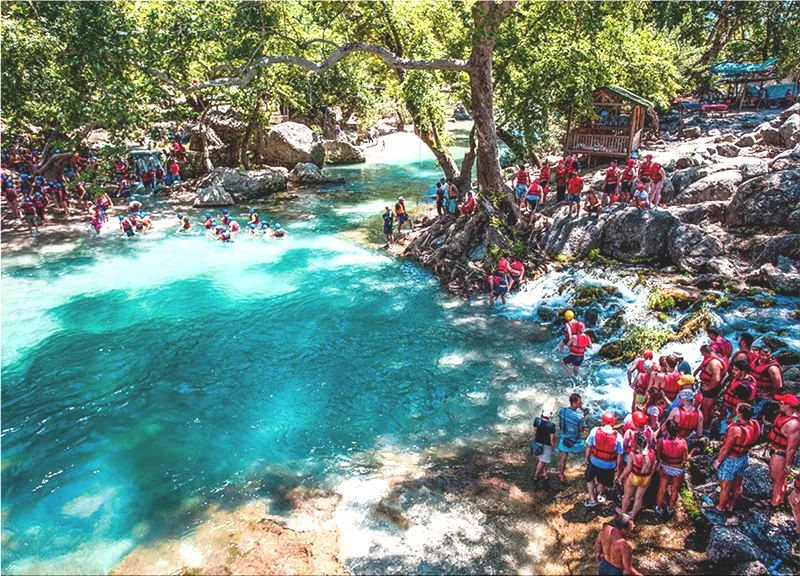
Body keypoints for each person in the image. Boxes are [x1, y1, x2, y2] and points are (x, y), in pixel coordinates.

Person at [713, 403, 761, 515]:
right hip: (744, 457)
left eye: (737, 410)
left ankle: (720, 508)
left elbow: (726, 449)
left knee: (726, 485)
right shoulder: (755, 424)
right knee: (738, 483)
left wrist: (717, 461)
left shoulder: (735, 430)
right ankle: (731, 505)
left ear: (740, 413)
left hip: (732, 459)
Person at [585, 412, 624, 507]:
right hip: (609, 465)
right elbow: (620, 455)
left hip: (594, 461)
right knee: (602, 482)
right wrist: (618, 469)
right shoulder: (618, 437)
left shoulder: (594, 431)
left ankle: (591, 498)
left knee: (589, 478)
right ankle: (596, 496)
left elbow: (588, 447)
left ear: (603, 422)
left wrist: (586, 459)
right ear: (613, 423)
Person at [768, 393, 800, 508]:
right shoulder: (784, 415)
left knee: (776, 479)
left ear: (788, 406)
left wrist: (787, 465)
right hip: (776, 450)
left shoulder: (793, 424)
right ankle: (780, 499)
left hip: (780, 454)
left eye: (781, 403)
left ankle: (774, 503)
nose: (779, 404)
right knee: (780, 479)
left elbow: (791, 448)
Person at [655, 419, 689, 519]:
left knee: (662, 489)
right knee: (674, 490)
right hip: (678, 469)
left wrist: (658, 464)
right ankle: (670, 509)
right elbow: (685, 459)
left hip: (665, 467)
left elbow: (658, 456)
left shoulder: (662, 441)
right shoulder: (683, 442)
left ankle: (659, 508)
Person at [617, 432, 655, 521]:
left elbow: (628, 469)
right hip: (646, 478)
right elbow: (653, 466)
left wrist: (620, 477)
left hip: (634, 477)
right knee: (639, 498)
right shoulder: (652, 452)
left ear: (636, 443)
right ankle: (632, 516)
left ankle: (623, 514)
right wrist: (650, 476)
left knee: (627, 496)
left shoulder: (633, 454)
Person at [718, 360, 757, 434]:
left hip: (737, 412)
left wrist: (730, 418)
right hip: (730, 407)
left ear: (743, 372)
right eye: (733, 369)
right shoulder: (747, 378)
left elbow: (740, 405)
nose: (733, 371)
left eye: (736, 370)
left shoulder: (743, 387)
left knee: (724, 430)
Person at [695, 344, 728, 431]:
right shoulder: (718, 356)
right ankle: (708, 424)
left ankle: (704, 426)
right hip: (711, 387)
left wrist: (708, 388)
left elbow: (716, 379)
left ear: (705, 353)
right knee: (709, 407)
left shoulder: (714, 363)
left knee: (705, 408)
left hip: (711, 388)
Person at [558, 394, 587, 483]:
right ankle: (587, 468)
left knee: (564, 457)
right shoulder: (579, 417)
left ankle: (561, 475)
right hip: (575, 441)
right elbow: (581, 430)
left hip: (565, 439)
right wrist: (584, 417)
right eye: (579, 402)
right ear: (574, 403)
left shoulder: (562, 411)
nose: (581, 403)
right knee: (589, 448)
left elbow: (561, 424)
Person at [750, 347, 782, 418]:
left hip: (763, 395)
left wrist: (769, 395)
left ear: (771, 355)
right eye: (762, 355)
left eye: (767, 355)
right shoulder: (756, 360)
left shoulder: (772, 368)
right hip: (753, 391)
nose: (765, 357)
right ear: (759, 353)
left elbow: (778, 385)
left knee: (756, 415)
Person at [532, 409, 557, 489]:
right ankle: (536, 476)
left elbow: (535, 430)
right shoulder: (551, 426)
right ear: (549, 417)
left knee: (542, 459)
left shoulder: (537, 420)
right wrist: (553, 447)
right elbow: (551, 439)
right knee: (542, 461)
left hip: (537, 443)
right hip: (546, 446)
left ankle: (545, 473)